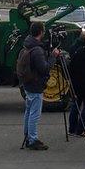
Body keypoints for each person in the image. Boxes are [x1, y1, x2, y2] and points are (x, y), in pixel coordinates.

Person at [17, 21, 60, 151]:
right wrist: (53, 57)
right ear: (41, 32)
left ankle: (28, 135)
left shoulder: (27, 45)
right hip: (35, 85)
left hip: (28, 83)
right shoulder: (37, 50)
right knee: (35, 114)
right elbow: (45, 69)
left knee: (29, 111)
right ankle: (32, 139)